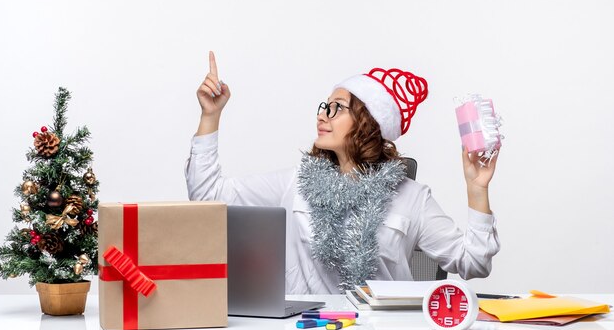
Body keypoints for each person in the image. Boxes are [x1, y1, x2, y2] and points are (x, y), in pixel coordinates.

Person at [185, 51, 500, 294]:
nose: (323, 115)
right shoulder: (295, 183)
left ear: (367, 122)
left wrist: (477, 188)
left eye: (336, 107)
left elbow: (474, 262)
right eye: (324, 106)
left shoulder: (411, 198)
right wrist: (210, 116)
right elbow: (207, 196)